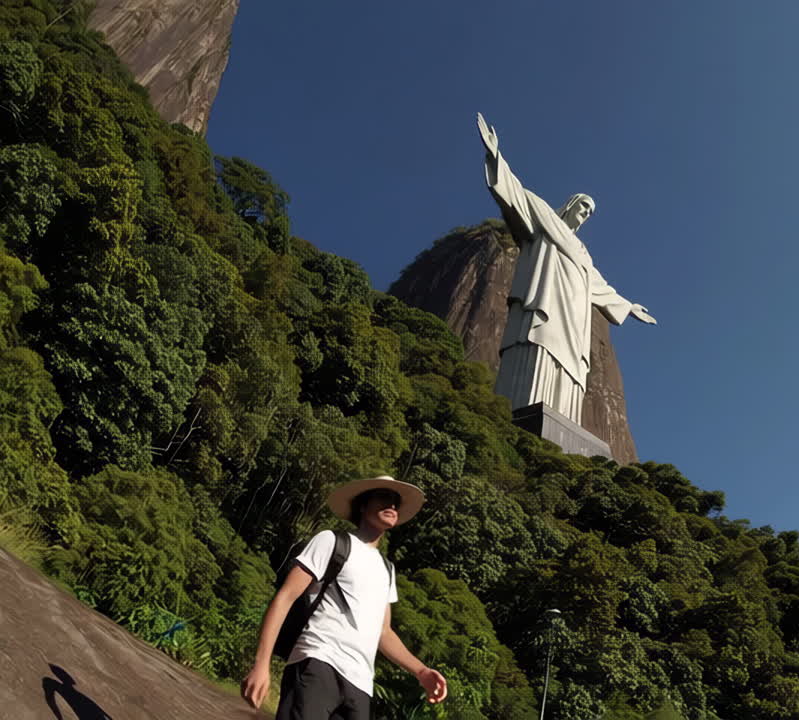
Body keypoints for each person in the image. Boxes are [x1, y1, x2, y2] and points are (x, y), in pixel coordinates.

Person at [477, 112, 657, 424]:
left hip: (571, 322)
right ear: (571, 205)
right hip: (546, 306)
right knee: (536, 349)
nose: (586, 212)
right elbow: (515, 195)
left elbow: (600, 288)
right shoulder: (544, 220)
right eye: (584, 205)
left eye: (590, 211)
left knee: (569, 370)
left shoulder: (583, 255)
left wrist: (628, 307)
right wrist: (495, 156)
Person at [241, 476, 448, 718]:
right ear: (362, 505)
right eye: (383, 498)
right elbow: (285, 597)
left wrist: (421, 671)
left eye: (395, 502)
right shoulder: (332, 542)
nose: (392, 506)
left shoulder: (387, 569)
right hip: (318, 662)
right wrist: (261, 664)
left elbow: (384, 632)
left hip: (360, 684)